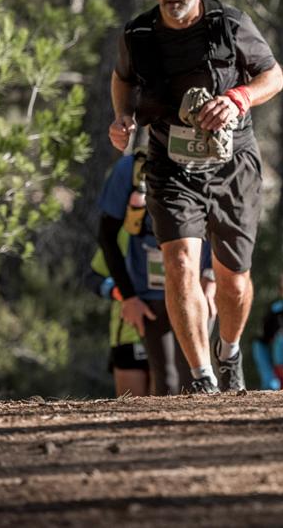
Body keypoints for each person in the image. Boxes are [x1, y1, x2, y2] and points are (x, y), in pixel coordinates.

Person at [109, 0, 283, 395]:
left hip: (232, 161)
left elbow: (273, 75)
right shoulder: (139, 35)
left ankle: (228, 351)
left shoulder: (229, 24)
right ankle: (202, 375)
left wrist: (239, 98)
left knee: (233, 279)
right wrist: (123, 117)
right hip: (170, 161)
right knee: (180, 262)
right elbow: (123, 79)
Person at [95, 140, 192, 395]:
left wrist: (209, 279)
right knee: (158, 391)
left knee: (186, 384)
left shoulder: (199, 167)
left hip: (184, 301)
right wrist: (123, 295)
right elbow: (93, 275)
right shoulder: (123, 237)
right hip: (135, 322)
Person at [81, 234, 149, 397]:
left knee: (169, 409)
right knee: (132, 411)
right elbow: (93, 277)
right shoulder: (124, 232)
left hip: (174, 334)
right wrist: (118, 291)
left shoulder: (180, 225)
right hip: (128, 336)